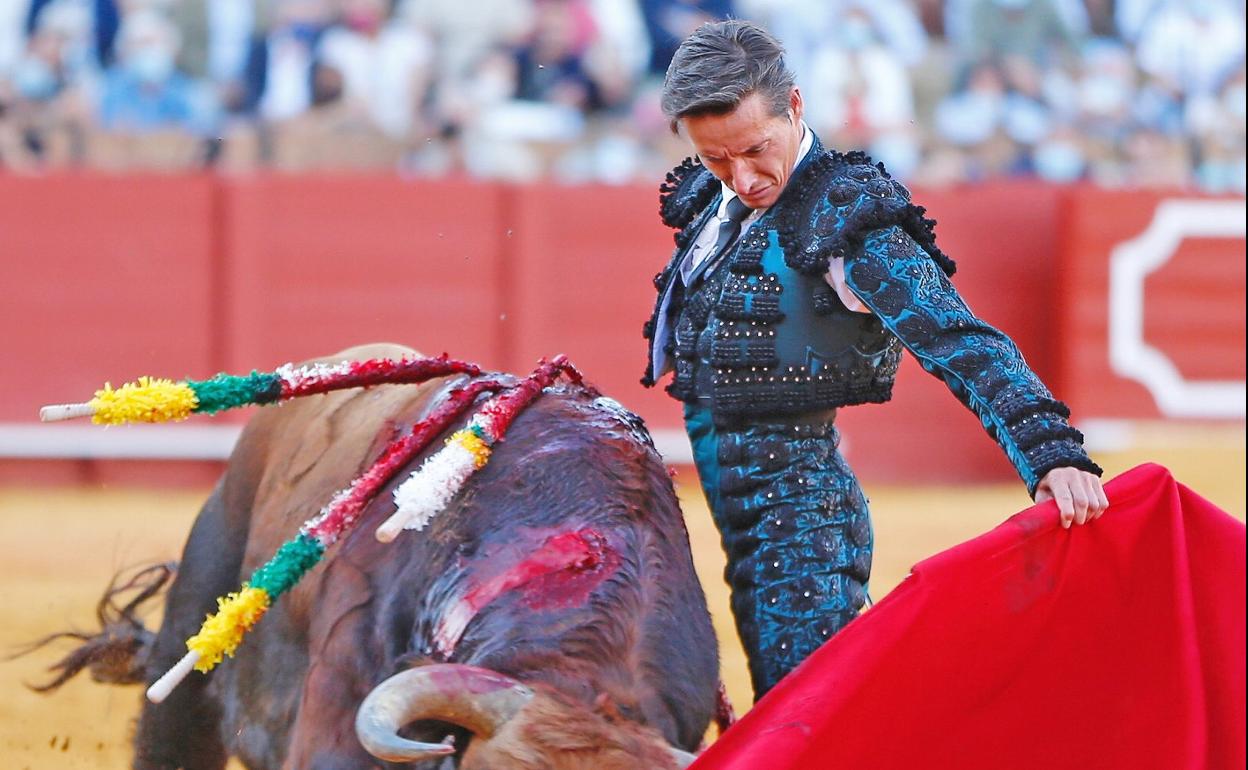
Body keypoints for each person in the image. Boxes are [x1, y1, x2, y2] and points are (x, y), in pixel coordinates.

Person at [640, 19, 1109, 698]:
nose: (741, 178)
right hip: (742, 530)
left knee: (811, 727)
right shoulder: (712, 209)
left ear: (795, 106)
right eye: (717, 160)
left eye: (754, 150)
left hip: (804, 530)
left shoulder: (845, 219)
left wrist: (1052, 452)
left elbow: (958, 339)